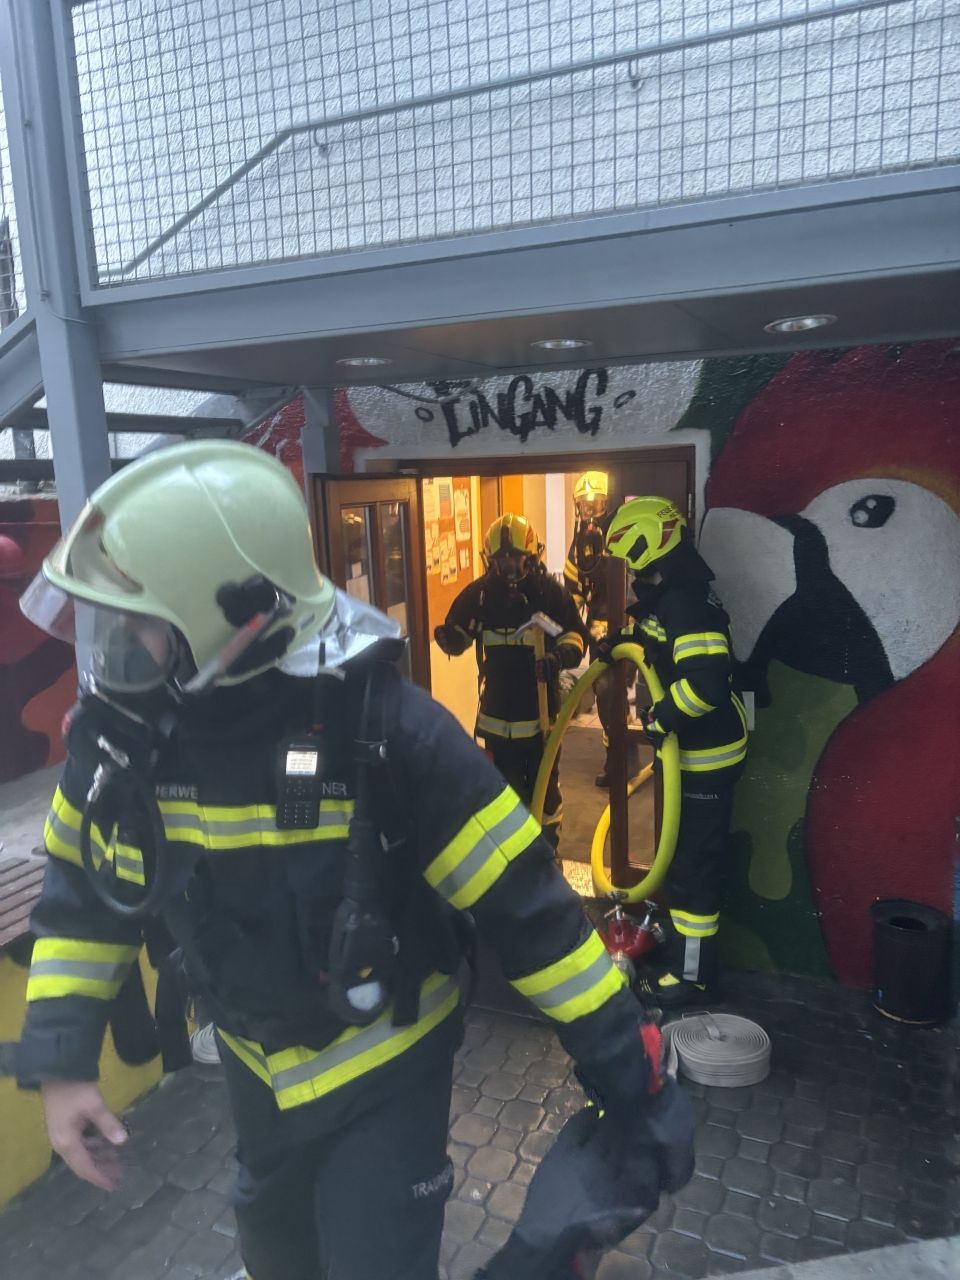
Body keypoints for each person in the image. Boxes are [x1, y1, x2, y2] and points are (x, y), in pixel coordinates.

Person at [14, 443, 691, 1280]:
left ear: (237, 622)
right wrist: (61, 1060)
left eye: (138, 621)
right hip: (256, 1065)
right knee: (277, 1257)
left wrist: (628, 1074)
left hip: (386, 1073)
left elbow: (531, 914)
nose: (114, 646)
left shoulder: (388, 737)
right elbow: (84, 898)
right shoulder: (126, 747)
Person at [602, 496, 748, 1009]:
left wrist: (662, 718)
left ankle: (694, 977)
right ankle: (687, 956)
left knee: (692, 869)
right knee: (687, 864)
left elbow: (706, 684)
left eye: (631, 557)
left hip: (705, 759)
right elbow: (656, 642)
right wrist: (618, 642)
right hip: (691, 757)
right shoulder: (676, 597)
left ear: (649, 549)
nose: (630, 569)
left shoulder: (685, 602)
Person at [435, 513, 587, 848]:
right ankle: (515, 862)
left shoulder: (549, 594)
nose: (507, 567)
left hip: (542, 716)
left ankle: (547, 855)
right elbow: (459, 634)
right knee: (505, 797)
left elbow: (576, 637)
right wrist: (450, 638)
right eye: (500, 559)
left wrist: (556, 658)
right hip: (497, 717)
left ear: (531, 557)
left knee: (545, 792)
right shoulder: (479, 596)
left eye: (514, 558)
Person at [563, 472, 638, 787]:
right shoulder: (581, 539)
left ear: (608, 502)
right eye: (585, 504)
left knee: (611, 693)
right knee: (604, 692)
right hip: (596, 627)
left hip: (627, 625)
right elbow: (573, 582)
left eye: (596, 503)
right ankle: (621, 757)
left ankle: (621, 762)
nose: (590, 510)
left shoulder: (623, 532)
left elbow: (636, 579)